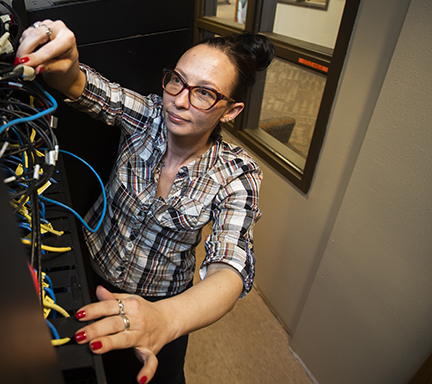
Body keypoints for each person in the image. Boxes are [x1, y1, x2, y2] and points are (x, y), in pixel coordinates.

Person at [15, 20, 274, 384]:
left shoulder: (237, 174)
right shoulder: (148, 116)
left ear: (230, 110)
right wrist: (63, 61)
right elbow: (82, 86)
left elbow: (228, 270)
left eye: (204, 94)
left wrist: (167, 319)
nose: (179, 101)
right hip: (91, 270)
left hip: (163, 300)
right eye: (177, 81)